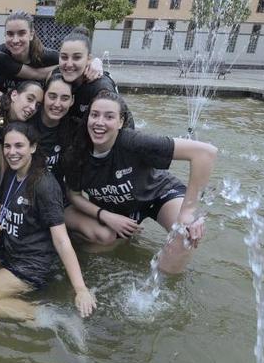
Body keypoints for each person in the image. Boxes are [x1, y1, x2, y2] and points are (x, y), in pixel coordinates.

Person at [0, 122, 96, 325]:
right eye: (7, 146)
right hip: (4, 249)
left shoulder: (45, 186)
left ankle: (57, 318)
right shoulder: (13, 172)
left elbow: (62, 241)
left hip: (30, 263)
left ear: (33, 147)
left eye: (19, 146)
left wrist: (81, 289)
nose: (12, 152)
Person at [63, 90, 218, 274]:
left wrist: (189, 212)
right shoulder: (76, 153)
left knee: (185, 234)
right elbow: (73, 195)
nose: (99, 122)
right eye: (94, 115)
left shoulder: (133, 142)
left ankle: (162, 288)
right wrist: (106, 216)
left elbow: (205, 153)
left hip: (158, 195)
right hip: (117, 209)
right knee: (103, 245)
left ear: (121, 122)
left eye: (109, 116)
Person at [57, 27, 119, 121]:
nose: (69, 64)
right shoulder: (58, 78)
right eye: (64, 57)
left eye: (77, 57)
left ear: (89, 59)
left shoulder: (101, 88)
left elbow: (124, 125)